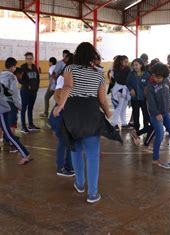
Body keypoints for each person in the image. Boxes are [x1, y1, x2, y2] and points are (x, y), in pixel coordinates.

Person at [53, 42, 112, 204]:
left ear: (77, 55)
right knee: (93, 154)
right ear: (93, 55)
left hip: (73, 113)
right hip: (91, 112)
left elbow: (67, 87)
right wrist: (107, 112)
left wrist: (60, 105)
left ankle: (79, 184)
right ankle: (92, 193)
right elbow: (102, 99)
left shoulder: (70, 69)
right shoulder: (99, 74)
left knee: (76, 148)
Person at [49, 53, 75, 177]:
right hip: (61, 114)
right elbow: (56, 96)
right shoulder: (63, 77)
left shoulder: (74, 77)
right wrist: (62, 107)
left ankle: (69, 166)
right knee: (63, 141)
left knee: (69, 140)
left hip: (68, 114)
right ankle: (61, 167)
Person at [0, 57, 22, 153]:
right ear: (13, 66)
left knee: (0, 124)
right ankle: (12, 145)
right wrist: (18, 105)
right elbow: (14, 92)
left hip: (0, 102)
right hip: (10, 103)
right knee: (12, 124)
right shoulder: (12, 77)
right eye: (15, 67)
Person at [126, 58, 151, 146]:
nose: (135, 66)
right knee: (136, 116)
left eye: (136, 65)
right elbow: (127, 83)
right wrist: (131, 89)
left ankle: (145, 132)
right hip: (135, 99)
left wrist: (146, 88)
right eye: (133, 65)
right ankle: (136, 134)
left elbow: (150, 84)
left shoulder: (147, 74)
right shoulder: (131, 74)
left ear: (141, 65)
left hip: (144, 99)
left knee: (146, 116)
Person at [19, 52, 40, 134]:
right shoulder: (22, 68)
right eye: (27, 58)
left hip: (34, 91)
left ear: (33, 58)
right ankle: (23, 127)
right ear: (25, 59)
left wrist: (37, 87)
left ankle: (30, 125)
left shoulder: (35, 67)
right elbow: (20, 79)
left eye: (31, 58)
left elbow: (37, 78)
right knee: (24, 109)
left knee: (31, 108)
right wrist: (27, 85)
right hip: (25, 91)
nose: (29, 60)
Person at [111, 55, 131, 130]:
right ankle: (114, 123)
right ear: (121, 62)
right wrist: (126, 82)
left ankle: (124, 123)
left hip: (126, 90)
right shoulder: (116, 69)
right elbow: (120, 80)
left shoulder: (128, 69)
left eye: (127, 62)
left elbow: (129, 79)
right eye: (125, 62)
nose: (127, 63)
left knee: (124, 108)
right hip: (119, 90)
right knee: (118, 107)